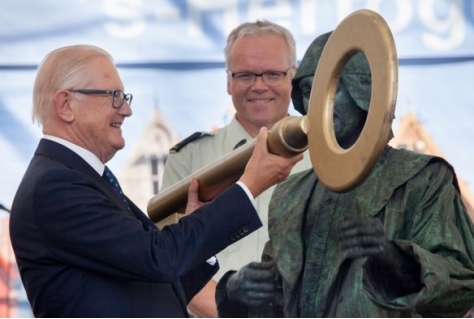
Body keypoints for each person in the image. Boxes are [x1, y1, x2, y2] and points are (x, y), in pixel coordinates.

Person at [8, 44, 303, 317]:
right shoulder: (56, 187)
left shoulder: (80, 179)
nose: (126, 109)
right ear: (66, 105)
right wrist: (248, 186)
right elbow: (158, 259)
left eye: (124, 97)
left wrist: (196, 223)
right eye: (114, 96)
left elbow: (156, 275)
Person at [215, 31, 474, 317]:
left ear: (363, 92)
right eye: (308, 92)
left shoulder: (422, 180)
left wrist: (391, 259)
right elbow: (276, 301)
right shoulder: (292, 194)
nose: (316, 104)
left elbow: (461, 286)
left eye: (330, 87)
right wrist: (236, 292)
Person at [160, 20, 311, 317]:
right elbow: (171, 263)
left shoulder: (326, 155)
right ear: (228, 81)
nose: (259, 85)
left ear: (292, 77)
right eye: (245, 75)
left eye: (272, 73)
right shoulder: (189, 160)